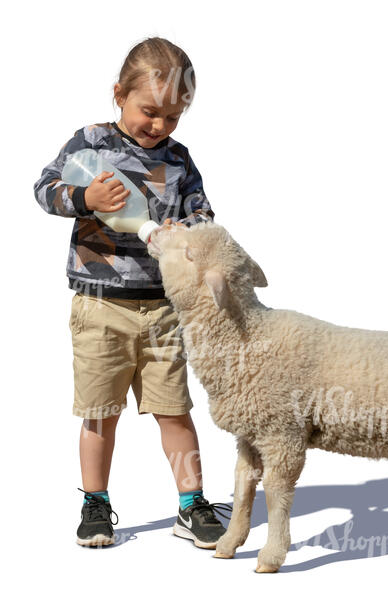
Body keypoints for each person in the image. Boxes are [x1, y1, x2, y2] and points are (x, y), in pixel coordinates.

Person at [33, 36, 231, 548]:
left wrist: (190, 234)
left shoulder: (179, 158)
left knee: (175, 410)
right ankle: (95, 502)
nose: (159, 126)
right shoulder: (91, 142)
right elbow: (44, 189)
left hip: (164, 308)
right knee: (99, 412)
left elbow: (202, 213)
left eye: (173, 117)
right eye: (150, 111)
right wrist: (85, 196)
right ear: (119, 93)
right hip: (100, 305)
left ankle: (192, 504)